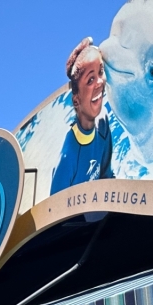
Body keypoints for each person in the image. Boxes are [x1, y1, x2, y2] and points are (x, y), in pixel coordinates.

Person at [51, 37, 114, 195]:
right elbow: (54, 212)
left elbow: (107, 176)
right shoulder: (68, 156)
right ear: (76, 101)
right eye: (90, 79)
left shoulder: (103, 122)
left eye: (100, 72)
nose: (99, 82)